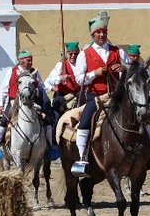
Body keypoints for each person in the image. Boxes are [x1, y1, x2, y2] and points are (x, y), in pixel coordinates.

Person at [71, 17, 131, 177]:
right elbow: (78, 78)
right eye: (98, 32)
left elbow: (132, 68)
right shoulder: (85, 54)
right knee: (84, 123)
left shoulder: (117, 51)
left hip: (117, 96)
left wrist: (123, 69)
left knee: (141, 115)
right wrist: (94, 73)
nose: (102, 35)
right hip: (96, 96)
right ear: (92, 35)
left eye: (104, 32)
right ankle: (83, 158)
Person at [0, 50, 54, 152]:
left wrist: (51, 88)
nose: (30, 63)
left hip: (32, 103)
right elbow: (3, 90)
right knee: (2, 123)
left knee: (47, 122)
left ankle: (50, 148)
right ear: (20, 60)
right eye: (28, 60)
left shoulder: (34, 72)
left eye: (31, 60)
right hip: (13, 103)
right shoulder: (11, 72)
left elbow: (43, 87)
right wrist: (1, 104)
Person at [45, 41, 81, 122]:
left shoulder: (81, 65)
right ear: (67, 54)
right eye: (70, 54)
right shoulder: (61, 65)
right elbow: (48, 81)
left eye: (76, 54)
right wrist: (61, 78)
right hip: (63, 95)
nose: (73, 56)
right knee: (56, 117)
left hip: (79, 95)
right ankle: (54, 133)